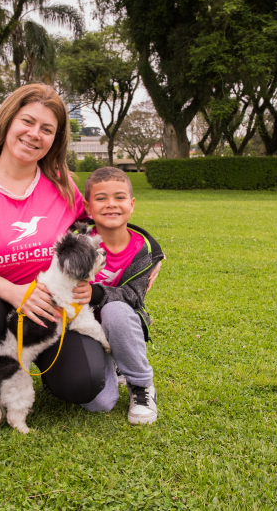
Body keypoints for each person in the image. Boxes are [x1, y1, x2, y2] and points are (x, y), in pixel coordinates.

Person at [0, 84, 110, 428]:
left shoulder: (62, 185)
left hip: (51, 313)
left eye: (47, 129)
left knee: (83, 382)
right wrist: (17, 293)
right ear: (8, 121)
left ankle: (40, 367)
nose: (34, 134)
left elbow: (100, 228)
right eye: (27, 121)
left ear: (55, 140)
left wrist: (147, 255)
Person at [77, 167, 164, 424]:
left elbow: (133, 296)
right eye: (101, 198)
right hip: (82, 328)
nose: (111, 204)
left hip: (120, 323)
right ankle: (109, 364)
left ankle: (141, 385)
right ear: (88, 206)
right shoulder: (76, 242)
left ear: (132, 204)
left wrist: (95, 293)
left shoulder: (143, 251)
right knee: (99, 403)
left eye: (119, 197)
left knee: (115, 309)